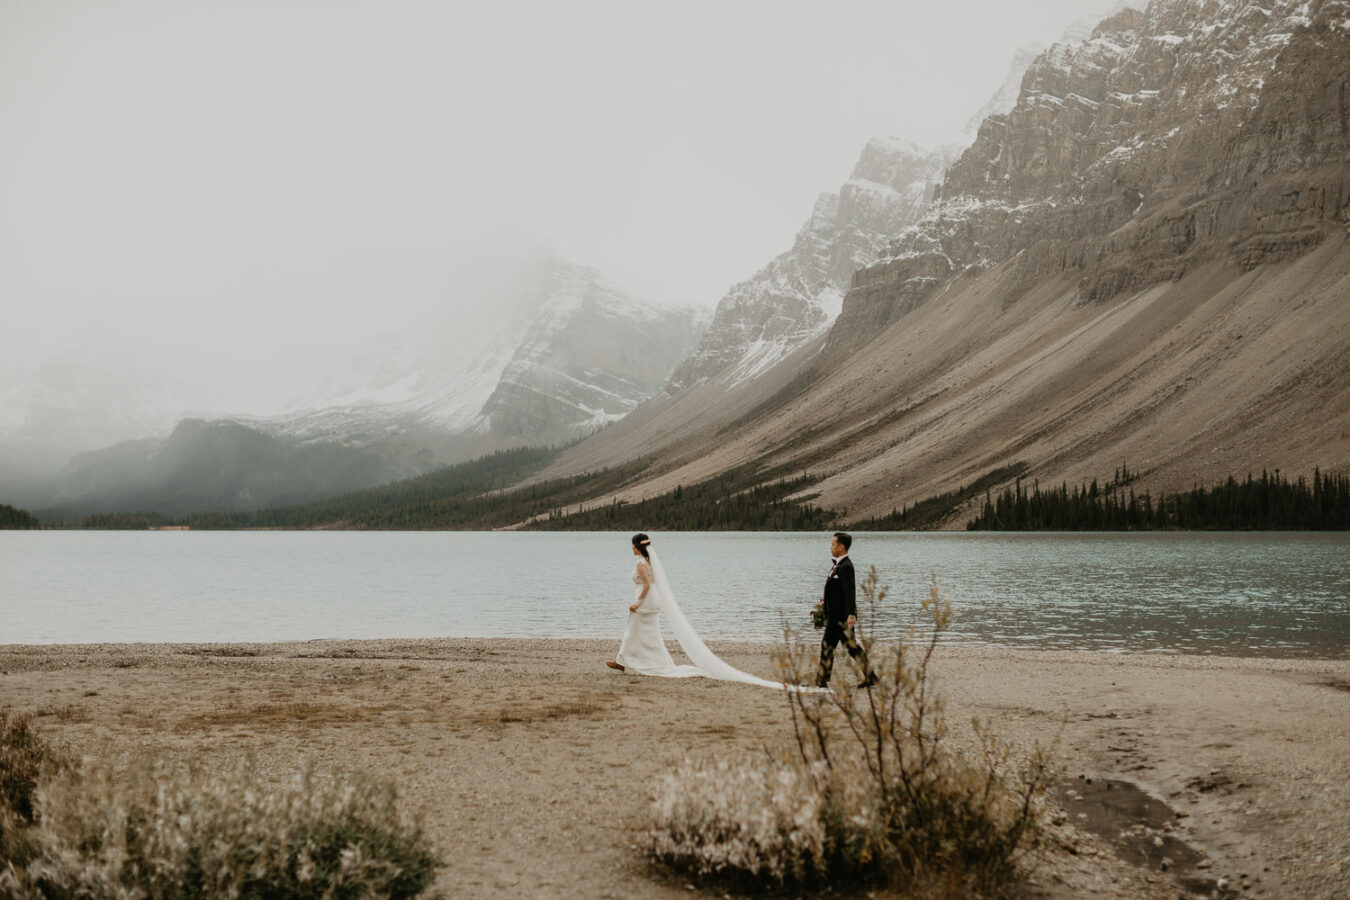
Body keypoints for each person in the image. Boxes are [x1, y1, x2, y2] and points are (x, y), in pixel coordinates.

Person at [607, 533, 701, 677]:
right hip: (654, 601)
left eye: (632, 545)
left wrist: (636, 603)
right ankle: (621, 661)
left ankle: (623, 661)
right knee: (650, 633)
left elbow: (646, 586)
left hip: (645, 601)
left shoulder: (641, 564)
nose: (631, 548)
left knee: (632, 631)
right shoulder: (651, 562)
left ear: (637, 547)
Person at [814, 531, 878, 689]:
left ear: (842, 547)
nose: (831, 547)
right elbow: (837, 591)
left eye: (833, 544)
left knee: (828, 645)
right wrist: (824, 603)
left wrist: (850, 614)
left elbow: (850, 592)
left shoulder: (846, 567)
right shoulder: (837, 565)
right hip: (835, 614)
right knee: (851, 647)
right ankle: (871, 677)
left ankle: (821, 681)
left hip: (841, 617)